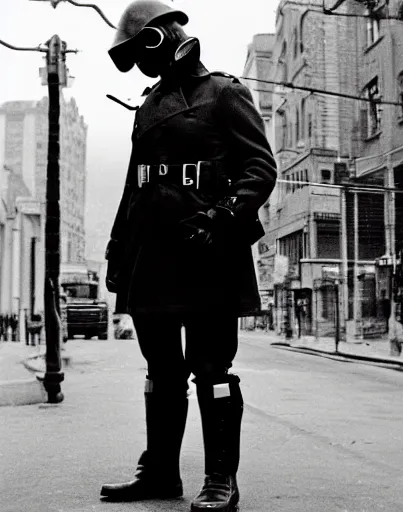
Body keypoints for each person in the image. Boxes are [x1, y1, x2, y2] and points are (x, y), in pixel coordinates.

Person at [100, 2, 277, 511]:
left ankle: (221, 478)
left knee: (212, 368)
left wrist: (225, 214)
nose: (140, 65)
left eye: (141, 52)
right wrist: (117, 247)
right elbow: (134, 187)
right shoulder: (148, 106)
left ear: (160, 38)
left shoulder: (224, 93)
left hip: (208, 252)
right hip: (150, 256)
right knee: (161, 368)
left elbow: (260, 168)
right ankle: (160, 472)